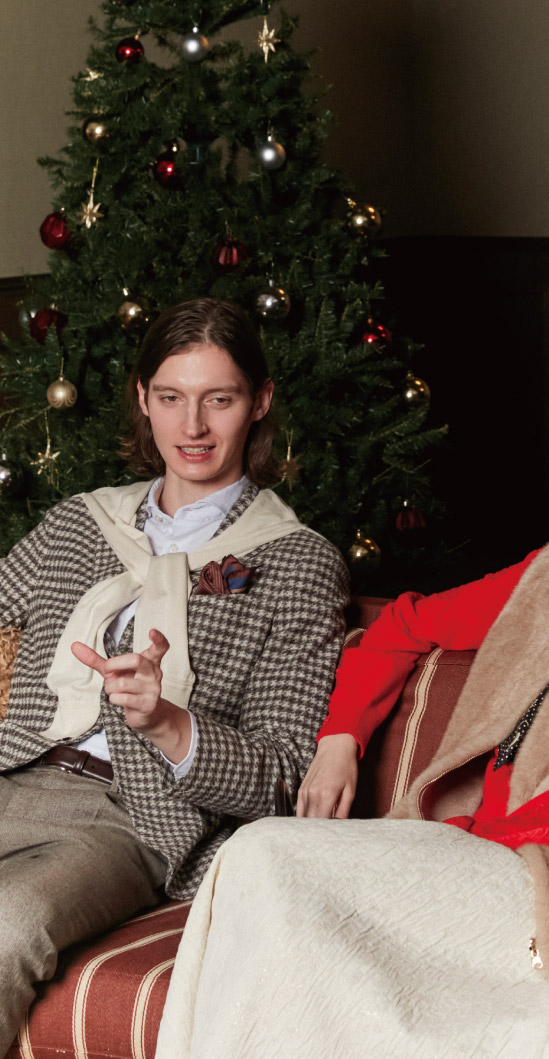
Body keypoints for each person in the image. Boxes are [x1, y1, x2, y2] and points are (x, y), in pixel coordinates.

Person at [156, 354, 549, 1059]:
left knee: (265, 855)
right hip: (487, 850)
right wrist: (340, 740)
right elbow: (401, 626)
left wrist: (471, 840)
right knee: (253, 859)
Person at [0, 297, 348, 1052]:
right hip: (14, 774)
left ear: (259, 401)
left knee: (7, 925)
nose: (192, 426)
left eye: (219, 399)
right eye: (170, 398)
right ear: (142, 398)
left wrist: (166, 722)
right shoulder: (79, 522)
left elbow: (282, 777)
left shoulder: (296, 562)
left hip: (128, 818)